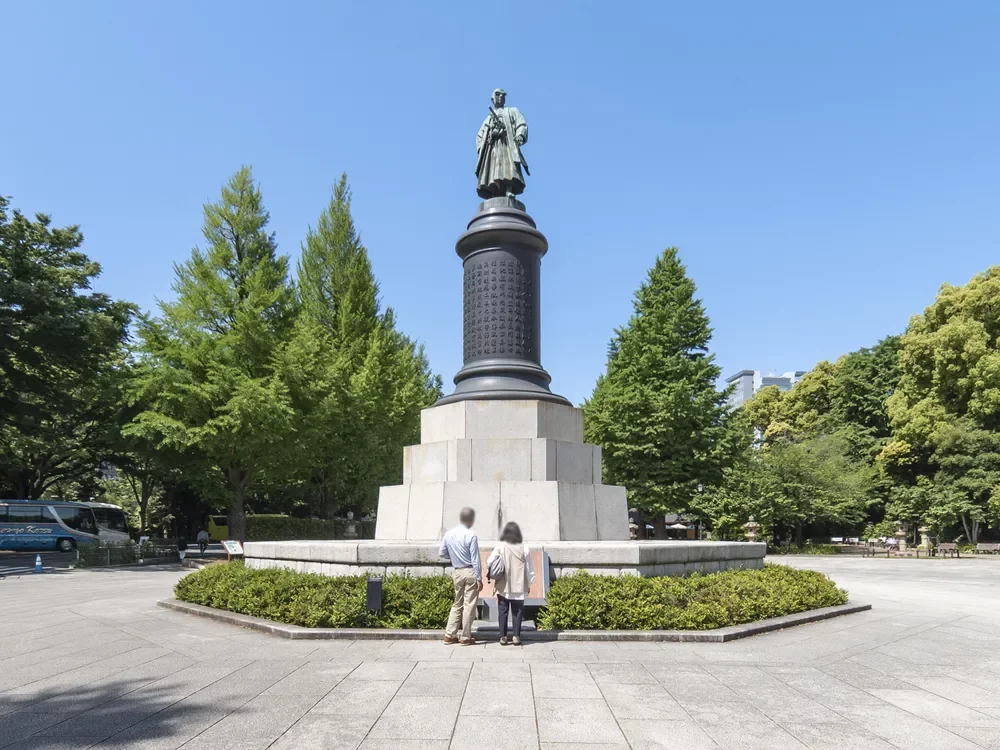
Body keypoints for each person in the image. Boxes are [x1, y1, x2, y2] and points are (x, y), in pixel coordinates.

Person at [438, 507, 483, 645]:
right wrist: (479, 577)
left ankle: (449, 634)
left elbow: (442, 553)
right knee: (469, 605)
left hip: (457, 571)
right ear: (470, 520)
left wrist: (453, 557)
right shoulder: (471, 535)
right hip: (469, 571)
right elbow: (475, 559)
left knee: (457, 603)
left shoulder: (448, 534)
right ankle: (465, 636)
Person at [475, 88, 529, 200]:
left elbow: (521, 124)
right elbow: (480, 136)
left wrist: (520, 135)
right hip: (493, 148)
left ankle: (509, 190)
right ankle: (494, 193)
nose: (500, 97)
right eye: (497, 94)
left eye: (503, 95)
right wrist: (488, 139)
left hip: (507, 145)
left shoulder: (512, 111)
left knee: (508, 167)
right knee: (493, 169)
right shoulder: (488, 119)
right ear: (492, 99)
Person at [487, 522, 535, 646]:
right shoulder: (524, 547)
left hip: (503, 584)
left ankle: (503, 637)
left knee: (502, 611)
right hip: (519, 585)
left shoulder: (500, 546)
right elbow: (529, 568)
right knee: (518, 611)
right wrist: (529, 583)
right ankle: (516, 636)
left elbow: (489, 562)